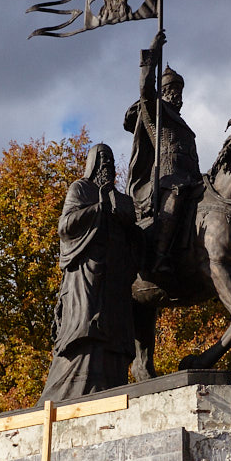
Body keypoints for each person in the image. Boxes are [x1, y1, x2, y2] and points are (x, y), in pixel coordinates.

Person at [39, 143, 139, 403]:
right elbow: (65, 226)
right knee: (87, 328)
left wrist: (130, 222)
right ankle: (77, 386)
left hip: (115, 278)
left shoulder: (119, 197)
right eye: (103, 158)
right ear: (93, 162)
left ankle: (110, 383)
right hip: (87, 273)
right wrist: (98, 208)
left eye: (111, 159)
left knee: (114, 334)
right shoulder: (81, 188)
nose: (108, 164)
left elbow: (133, 237)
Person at [124, 30, 201, 275]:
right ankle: (160, 256)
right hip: (166, 179)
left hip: (190, 178)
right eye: (172, 90)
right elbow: (146, 88)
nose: (177, 94)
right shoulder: (156, 112)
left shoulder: (184, 124)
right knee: (175, 199)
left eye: (179, 90)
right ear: (164, 92)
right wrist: (153, 53)